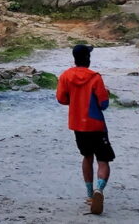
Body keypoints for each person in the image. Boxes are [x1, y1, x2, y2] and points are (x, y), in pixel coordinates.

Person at [56, 43, 113, 216]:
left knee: (86, 157)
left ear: (74, 58)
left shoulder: (66, 76)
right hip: (96, 124)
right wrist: (106, 94)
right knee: (103, 160)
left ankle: (89, 195)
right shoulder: (95, 77)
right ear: (88, 58)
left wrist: (74, 101)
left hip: (78, 125)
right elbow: (103, 104)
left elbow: (61, 98)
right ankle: (99, 189)